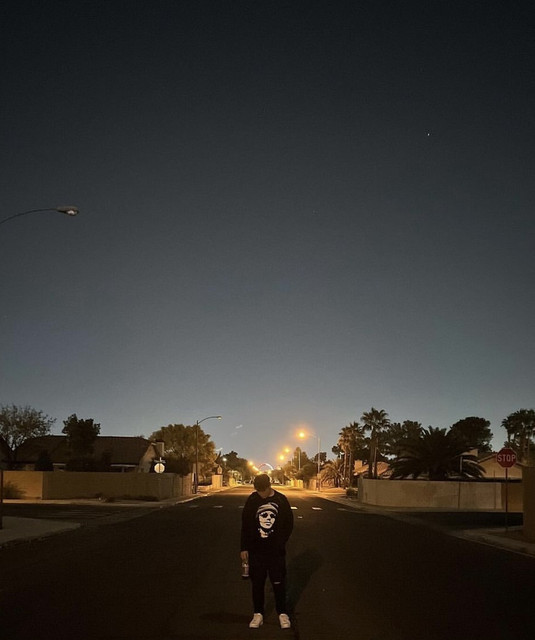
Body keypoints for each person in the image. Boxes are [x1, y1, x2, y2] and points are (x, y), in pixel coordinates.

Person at [240, 473, 294, 629]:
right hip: (256, 551)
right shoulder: (252, 500)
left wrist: (280, 541)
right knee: (257, 583)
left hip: (276, 552)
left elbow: (289, 524)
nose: (260, 495)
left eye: (262, 491)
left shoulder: (281, 500)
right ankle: (258, 614)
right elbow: (246, 524)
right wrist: (244, 547)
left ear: (269, 487)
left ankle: (282, 613)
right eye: (258, 491)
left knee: (278, 583)